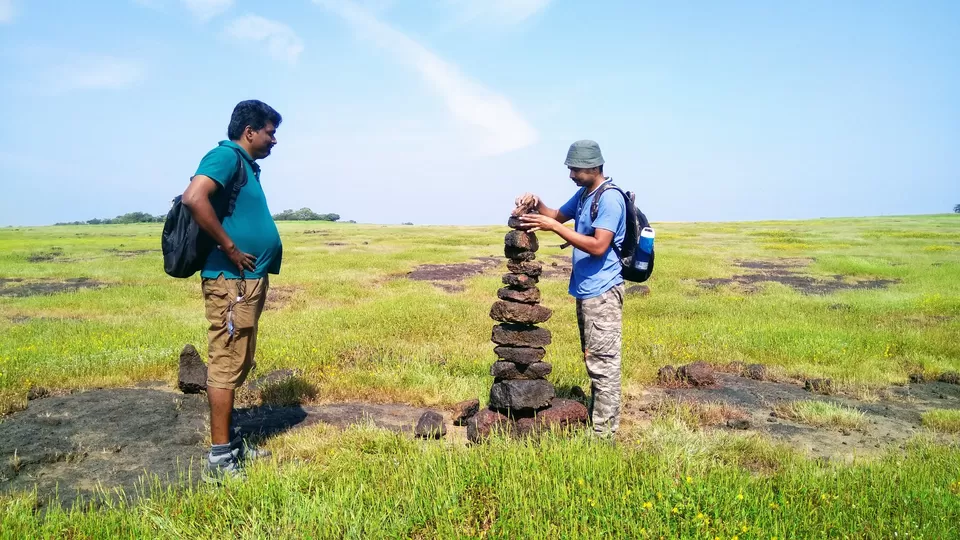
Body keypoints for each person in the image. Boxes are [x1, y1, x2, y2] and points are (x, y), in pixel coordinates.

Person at [181, 100, 284, 481]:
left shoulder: (245, 166)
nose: (275, 140)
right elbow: (194, 197)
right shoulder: (225, 156)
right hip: (230, 282)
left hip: (245, 283)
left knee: (238, 359)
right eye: (271, 132)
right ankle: (220, 461)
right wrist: (229, 247)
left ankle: (232, 442)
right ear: (250, 131)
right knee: (225, 364)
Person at [516, 140, 626, 437]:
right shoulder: (583, 195)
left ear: (593, 166)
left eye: (574, 169)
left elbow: (599, 245)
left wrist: (556, 229)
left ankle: (604, 435)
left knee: (604, 363)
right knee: (593, 357)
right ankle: (598, 420)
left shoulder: (609, 199)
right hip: (587, 290)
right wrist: (536, 202)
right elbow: (554, 215)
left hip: (603, 292)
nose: (571, 175)